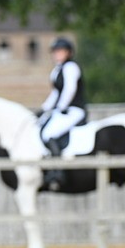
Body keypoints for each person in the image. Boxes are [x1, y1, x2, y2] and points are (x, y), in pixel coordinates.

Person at [36, 37, 87, 191]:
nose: (57, 54)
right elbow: (55, 93)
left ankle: (58, 172)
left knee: (49, 134)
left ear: (68, 53)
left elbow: (69, 90)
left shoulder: (71, 67)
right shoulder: (56, 70)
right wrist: (44, 109)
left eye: (60, 51)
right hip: (62, 110)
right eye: (55, 52)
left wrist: (61, 107)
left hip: (74, 110)